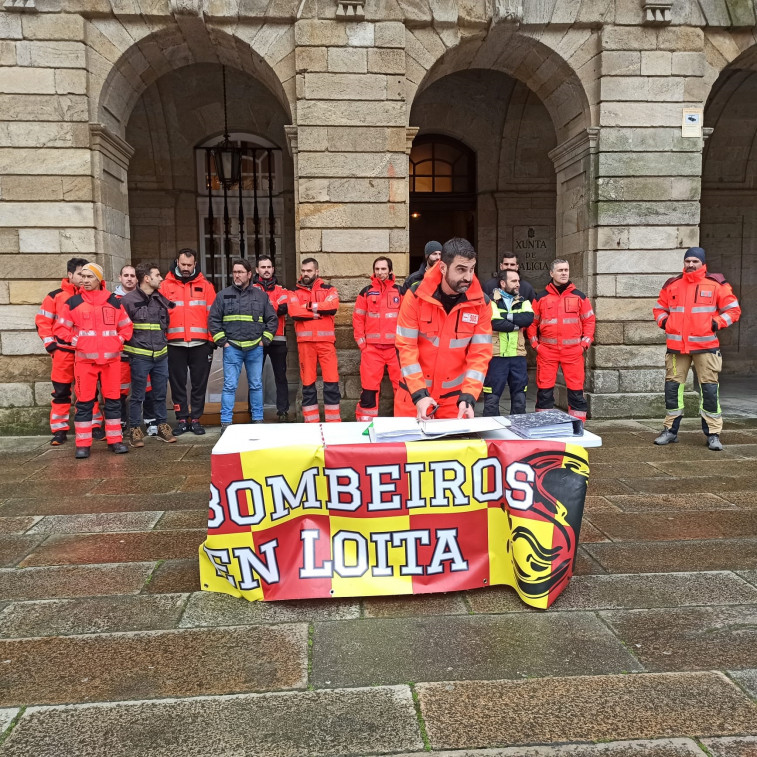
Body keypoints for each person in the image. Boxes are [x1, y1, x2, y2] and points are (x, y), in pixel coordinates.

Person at [652, 246, 741, 451]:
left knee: (709, 389)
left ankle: (713, 434)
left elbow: (733, 309)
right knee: (673, 389)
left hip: (706, 346)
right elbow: (659, 308)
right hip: (676, 347)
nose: (690, 265)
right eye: (687, 261)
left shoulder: (716, 285)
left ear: (703, 263)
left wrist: (716, 323)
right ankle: (670, 431)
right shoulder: (672, 285)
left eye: (695, 261)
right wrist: (665, 322)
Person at [395, 237, 492, 420]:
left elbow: (480, 355)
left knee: (455, 449)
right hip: (412, 397)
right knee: (411, 449)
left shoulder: (482, 303)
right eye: (461, 269)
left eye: (472, 269)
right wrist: (419, 396)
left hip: (454, 402)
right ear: (442, 268)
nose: (468, 277)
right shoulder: (416, 296)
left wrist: (469, 397)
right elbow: (406, 347)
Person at [53, 263, 132, 459]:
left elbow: (127, 327)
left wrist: (118, 341)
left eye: (89, 277)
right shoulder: (73, 302)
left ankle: (115, 441)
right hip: (85, 362)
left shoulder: (114, 302)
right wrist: (76, 341)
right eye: (83, 277)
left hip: (111, 362)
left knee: (113, 402)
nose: (85, 280)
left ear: (99, 279)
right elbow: (60, 328)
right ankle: (82, 444)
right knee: (84, 403)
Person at [35, 257, 104, 445]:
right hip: (63, 353)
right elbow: (43, 322)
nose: (83, 278)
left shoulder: (90, 296)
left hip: (86, 353)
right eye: (80, 274)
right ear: (70, 274)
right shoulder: (55, 296)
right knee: (61, 392)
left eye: (87, 275)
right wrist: (51, 346)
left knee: (90, 392)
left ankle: (95, 425)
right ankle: (59, 430)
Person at [209, 258, 278, 430]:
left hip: (255, 347)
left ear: (249, 274)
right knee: (230, 386)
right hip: (232, 347)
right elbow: (213, 320)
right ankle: (226, 422)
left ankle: (258, 420)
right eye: (234, 272)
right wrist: (223, 342)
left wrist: (265, 340)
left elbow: (272, 319)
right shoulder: (223, 295)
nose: (237, 275)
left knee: (256, 385)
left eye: (240, 272)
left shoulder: (261, 296)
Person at [526, 259, 595, 421]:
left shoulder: (580, 297)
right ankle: (544, 425)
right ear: (551, 273)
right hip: (547, 352)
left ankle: (578, 426)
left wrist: (584, 344)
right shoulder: (541, 298)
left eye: (566, 270)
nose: (564, 273)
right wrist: (536, 345)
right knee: (544, 392)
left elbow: (589, 321)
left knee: (576, 392)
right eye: (560, 270)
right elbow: (531, 323)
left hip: (573, 352)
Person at [160, 248, 216, 436]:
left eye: (189, 265)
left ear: (195, 264)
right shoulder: (164, 286)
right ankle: (182, 419)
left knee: (200, 384)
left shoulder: (206, 286)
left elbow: (212, 315)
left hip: (200, 344)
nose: (185, 268)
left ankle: (196, 419)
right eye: (183, 264)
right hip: (174, 344)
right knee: (178, 384)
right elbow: (160, 316)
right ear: (177, 262)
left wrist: (210, 340)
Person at [121, 263, 177, 446]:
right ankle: (135, 429)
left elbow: (164, 325)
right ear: (147, 278)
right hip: (139, 356)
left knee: (160, 394)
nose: (161, 278)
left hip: (160, 355)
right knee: (137, 395)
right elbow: (122, 327)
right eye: (157, 275)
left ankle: (162, 426)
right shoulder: (128, 301)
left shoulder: (160, 299)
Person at [288, 257, 342, 423]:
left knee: (331, 383)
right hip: (305, 345)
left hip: (326, 344)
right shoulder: (293, 292)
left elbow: (332, 308)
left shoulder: (329, 289)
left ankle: (333, 423)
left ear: (316, 271)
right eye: (303, 271)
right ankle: (311, 422)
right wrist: (319, 311)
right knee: (308, 385)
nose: (305, 274)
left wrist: (309, 307)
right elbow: (294, 313)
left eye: (309, 271)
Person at [353, 256, 402, 421]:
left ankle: (404, 423)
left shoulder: (400, 292)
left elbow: (408, 319)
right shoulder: (365, 292)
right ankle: (366, 424)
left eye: (383, 269)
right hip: (372, 350)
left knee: (402, 387)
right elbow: (358, 319)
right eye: (377, 269)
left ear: (390, 270)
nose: (380, 272)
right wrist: (363, 345)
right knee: (369, 389)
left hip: (395, 350)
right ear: (373, 271)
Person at [482, 269, 534, 416]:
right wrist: (517, 325)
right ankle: (491, 432)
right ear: (503, 283)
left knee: (520, 398)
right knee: (492, 398)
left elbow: (528, 319)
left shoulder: (524, 301)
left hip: (517, 355)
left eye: (518, 281)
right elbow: (496, 323)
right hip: (496, 356)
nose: (518, 284)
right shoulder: (490, 301)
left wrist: (506, 317)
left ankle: (517, 432)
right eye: (513, 281)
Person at [114, 264, 157, 435]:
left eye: (132, 275)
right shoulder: (112, 298)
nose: (129, 278)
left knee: (147, 388)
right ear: (120, 278)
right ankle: (122, 422)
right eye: (126, 275)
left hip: (142, 352)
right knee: (120, 390)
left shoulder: (146, 296)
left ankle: (150, 420)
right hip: (122, 353)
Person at [253, 255, 291, 422]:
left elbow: (284, 309)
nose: (266, 270)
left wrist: (264, 305)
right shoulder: (251, 289)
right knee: (255, 378)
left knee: (281, 377)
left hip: (278, 339)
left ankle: (283, 411)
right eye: (263, 267)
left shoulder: (282, 290)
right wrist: (271, 306)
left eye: (269, 267)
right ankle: (254, 412)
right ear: (257, 270)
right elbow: (251, 310)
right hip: (256, 340)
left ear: (273, 269)